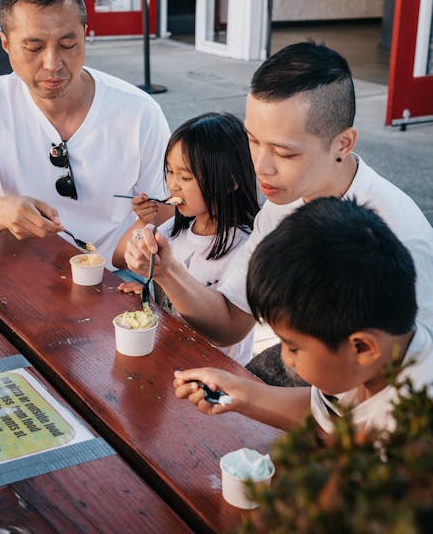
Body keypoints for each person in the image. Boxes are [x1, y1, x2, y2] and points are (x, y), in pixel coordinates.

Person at [125, 42, 433, 369]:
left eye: (285, 153)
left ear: (342, 144)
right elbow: (230, 321)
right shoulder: (282, 203)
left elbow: (403, 394)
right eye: (253, 140)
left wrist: (254, 397)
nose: (261, 167)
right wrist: (166, 271)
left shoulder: (398, 239)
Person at [0, 0, 170, 267]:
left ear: (85, 33)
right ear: (6, 44)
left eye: (67, 45)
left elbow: (166, 212)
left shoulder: (139, 112)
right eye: (33, 47)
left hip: (119, 273)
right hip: (28, 270)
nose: (52, 63)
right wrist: (2, 211)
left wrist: (126, 258)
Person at [173, 197, 433, 435]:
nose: (284, 357)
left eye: (293, 347)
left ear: (362, 347)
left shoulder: (413, 430)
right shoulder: (374, 359)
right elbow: (326, 416)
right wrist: (240, 393)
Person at [116, 113, 260, 364]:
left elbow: (223, 332)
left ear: (229, 182)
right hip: (170, 354)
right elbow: (162, 298)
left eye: (186, 177)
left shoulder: (247, 246)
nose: (173, 185)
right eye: (170, 172)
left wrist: (164, 273)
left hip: (218, 370)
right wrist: (149, 293)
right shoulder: (173, 229)